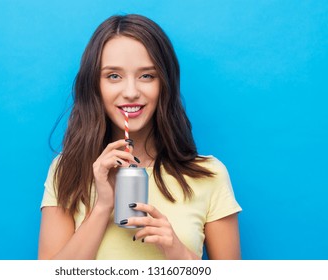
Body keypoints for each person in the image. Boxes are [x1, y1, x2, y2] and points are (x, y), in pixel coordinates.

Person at [38, 14, 242, 260]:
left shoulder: (210, 174)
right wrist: (103, 207)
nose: (131, 92)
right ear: (95, 85)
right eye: (114, 76)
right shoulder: (67, 170)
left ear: (164, 84)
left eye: (147, 75)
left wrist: (177, 252)